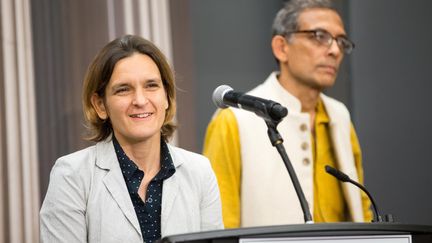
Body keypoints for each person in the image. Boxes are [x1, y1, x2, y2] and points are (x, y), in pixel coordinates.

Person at [203, 0, 373, 228]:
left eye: (341, 41)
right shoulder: (234, 120)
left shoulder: (340, 117)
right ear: (281, 48)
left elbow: (360, 206)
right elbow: (220, 225)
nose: (334, 50)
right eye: (319, 36)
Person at [40, 35, 223, 243]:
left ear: (167, 97)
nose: (140, 100)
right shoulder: (71, 176)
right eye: (123, 89)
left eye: (151, 86)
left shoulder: (199, 172)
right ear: (100, 105)